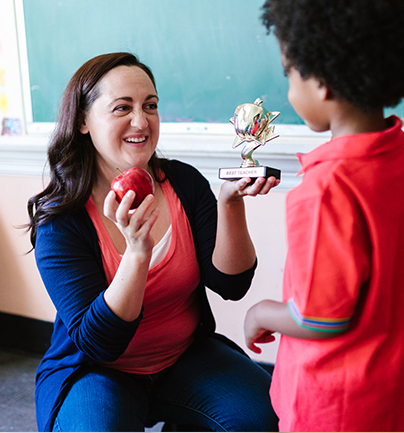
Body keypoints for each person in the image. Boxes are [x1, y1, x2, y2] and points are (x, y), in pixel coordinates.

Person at [26, 52, 280, 432]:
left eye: (150, 105)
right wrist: (137, 252)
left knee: (262, 419)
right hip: (97, 370)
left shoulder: (184, 183)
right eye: (122, 108)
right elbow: (99, 343)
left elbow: (232, 284)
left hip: (185, 356)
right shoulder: (61, 220)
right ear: (82, 121)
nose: (141, 121)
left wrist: (230, 203)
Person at [244, 0, 404, 431]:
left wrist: (260, 312)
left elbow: (317, 317)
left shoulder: (328, 189)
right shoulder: (397, 160)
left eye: (289, 73)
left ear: (323, 82)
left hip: (335, 410)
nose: (289, 90)